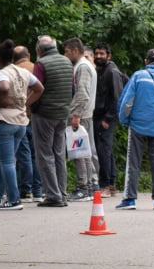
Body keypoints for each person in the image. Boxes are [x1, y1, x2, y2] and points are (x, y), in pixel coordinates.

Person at [0, 40, 43, 211]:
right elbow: (39, 88)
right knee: (3, 160)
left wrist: (3, 99)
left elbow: (4, 87)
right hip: (20, 122)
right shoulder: (23, 72)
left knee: (6, 162)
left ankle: (14, 200)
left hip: (3, 122)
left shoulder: (1, 74)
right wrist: (25, 104)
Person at [115, 49, 154, 211]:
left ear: (146, 61)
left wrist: (124, 119)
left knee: (133, 163)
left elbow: (127, 101)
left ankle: (129, 199)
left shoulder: (138, 76)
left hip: (137, 125)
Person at [29, 36, 73, 207]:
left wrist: (30, 106)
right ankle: (62, 192)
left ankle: (53, 196)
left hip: (45, 114)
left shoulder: (41, 64)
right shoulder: (67, 62)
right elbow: (72, 87)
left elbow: (37, 88)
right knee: (59, 154)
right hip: (63, 113)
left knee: (45, 155)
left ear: (40, 50)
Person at [64, 37, 98, 201]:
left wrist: (75, 115)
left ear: (75, 50)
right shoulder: (84, 65)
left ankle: (83, 188)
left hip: (81, 115)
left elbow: (82, 93)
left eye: (67, 51)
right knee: (84, 151)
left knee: (79, 152)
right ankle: (88, 186)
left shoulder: (82, 67)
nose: (66, 54)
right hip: (85, 114)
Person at [93, 43, 126, 198]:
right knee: (106, 149)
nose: (98, 56)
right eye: (96, 53)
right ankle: (110, 184)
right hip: (101, 115)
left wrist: (108, 118)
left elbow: (116, 97)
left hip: (106, 116)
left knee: (103, 150)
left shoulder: (111, 71)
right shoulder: (101, 70)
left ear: (108, 55)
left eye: (101, 53)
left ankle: (105, 185)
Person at [13, 46, 42, 203]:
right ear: (28, 55)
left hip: (18, 116)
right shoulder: (36, 68)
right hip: (36, 116)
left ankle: (25, 190)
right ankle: (38, 190)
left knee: (23, 154)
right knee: (36, 154)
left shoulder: (12, 71)